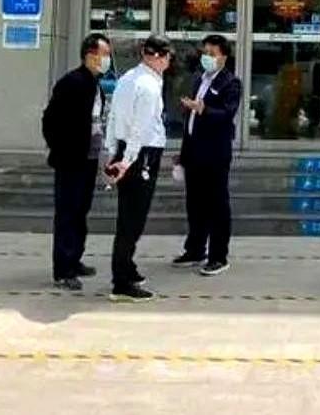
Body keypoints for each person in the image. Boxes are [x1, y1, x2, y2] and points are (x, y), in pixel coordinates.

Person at [105, 35, 173, 302]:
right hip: (141, 154)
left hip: (127, 149)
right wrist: (127, 160)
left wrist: (113, 152)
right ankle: (121, 282)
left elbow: (113, 117)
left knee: (129, 216)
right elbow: (140, 128)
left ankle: (127, 268)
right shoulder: (148, 85)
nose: (169, 61)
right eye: (167, 56)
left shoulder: (128, 78)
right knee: (132, 220)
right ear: (156, 56)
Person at [41, 32, 111, 291]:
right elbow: (50, 120)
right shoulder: (72, 83)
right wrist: (61, 149)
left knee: (81, 211)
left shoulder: (95, 84)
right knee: (67, 214)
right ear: (90, 55)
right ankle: (63, 269)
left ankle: (75, 257)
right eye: (104, 54)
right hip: (71, 159)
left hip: (89, 158)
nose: (107, 59)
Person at [172, 34, 242, 276]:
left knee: (216, 205)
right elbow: (190, 120)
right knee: (195, 204)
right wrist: (183, 154)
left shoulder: (230, 83)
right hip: (194, 151)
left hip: (215, 154)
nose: (207, 58)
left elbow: (227, 113)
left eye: (212, 54)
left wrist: (204, 109)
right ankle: (195, 249)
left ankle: (218, 256)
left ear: (224, 57)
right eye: (205, 53)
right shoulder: (199, 79)